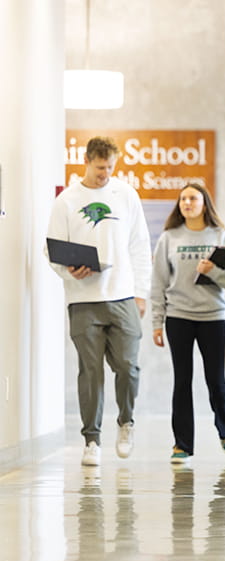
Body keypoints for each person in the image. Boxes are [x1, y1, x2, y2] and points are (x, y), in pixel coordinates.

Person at [45, 136, 152, 467]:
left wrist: (141, 292)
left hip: (122, 296)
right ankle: (91, 440)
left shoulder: (125, 195)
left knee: (128, 367)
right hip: (83, 299)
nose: (106, 173)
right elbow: (52, 249)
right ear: (87, 162)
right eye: (100, 167)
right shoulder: (67, 201)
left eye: (110, 167)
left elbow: (139, 245)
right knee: (90, 372)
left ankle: (126, 422)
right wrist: (69, 271)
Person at [151, 183, 225, 464]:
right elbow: (157, 284)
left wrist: (213, 270)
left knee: (215, 379)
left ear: (205, 203)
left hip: (212, 317)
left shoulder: (221, 235)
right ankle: (182, 445)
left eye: (193, 198)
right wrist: (157, 322)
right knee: (182, 381)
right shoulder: (169, 238)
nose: (187, 203)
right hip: (178, 316)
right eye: (183, 199)